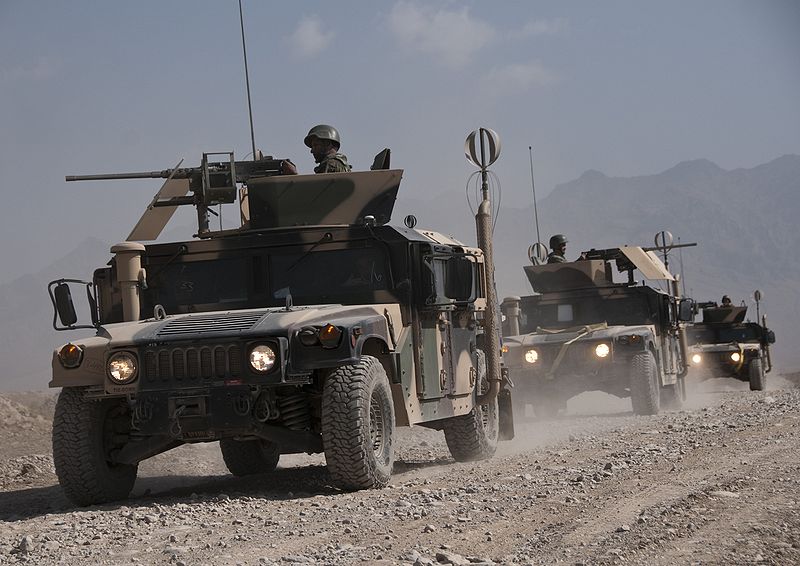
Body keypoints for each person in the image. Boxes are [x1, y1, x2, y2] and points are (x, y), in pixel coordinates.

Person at [280, 124, 352, 175]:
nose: (312, 151)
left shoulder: (331, 164)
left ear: (327, 143)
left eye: (315, 145)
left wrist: (294, 175)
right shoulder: (339, 163)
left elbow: (317, 193)